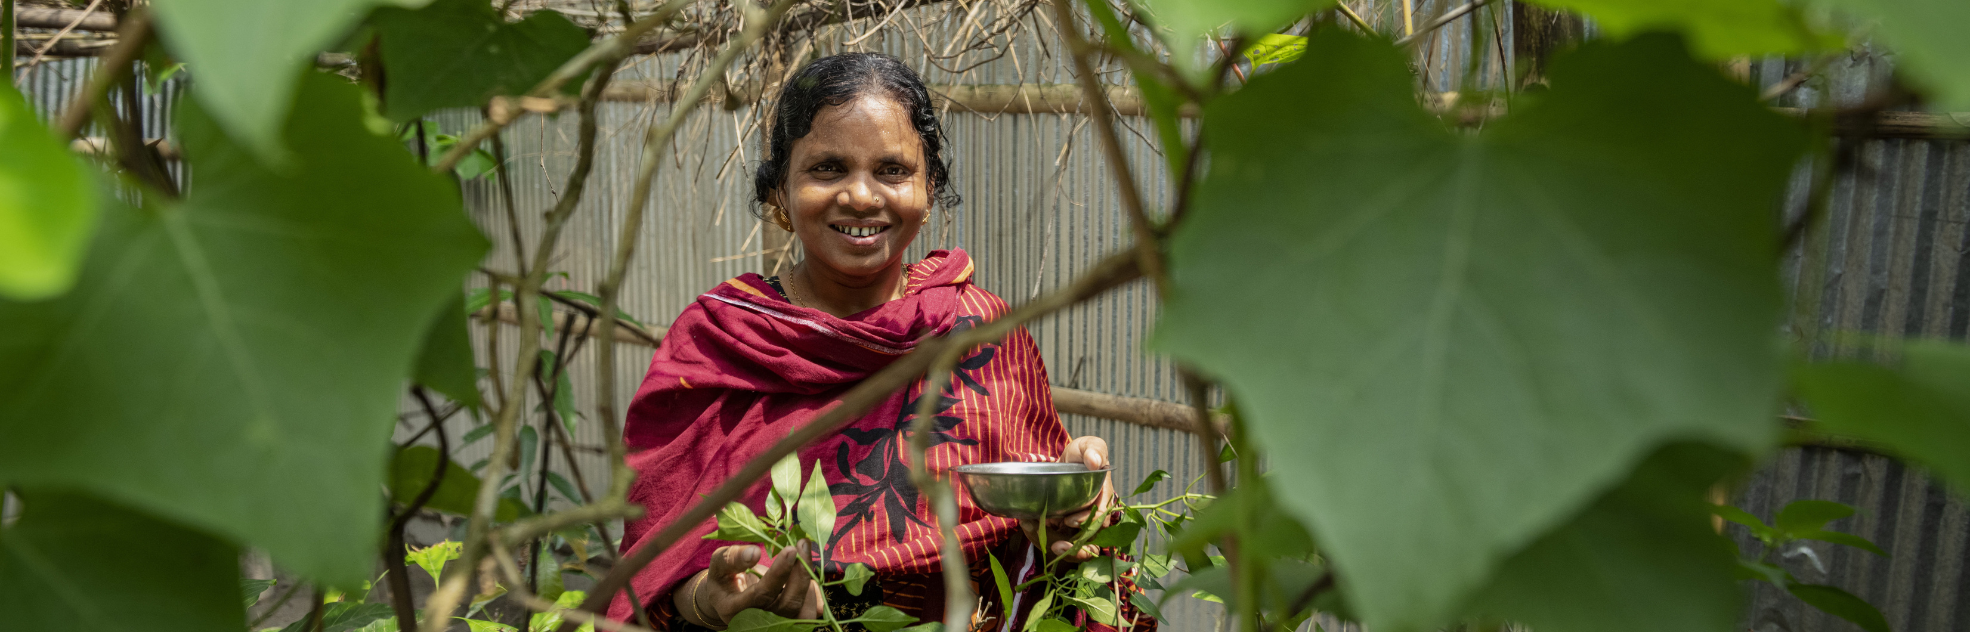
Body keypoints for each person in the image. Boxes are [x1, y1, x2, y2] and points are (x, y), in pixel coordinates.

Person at [608, 53, 1155, 631]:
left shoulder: (979, 332)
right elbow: (654, 563)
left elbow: (1045, 552)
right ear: (780, 192)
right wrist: (710, 599)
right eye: (828, 169)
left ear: (929, 188)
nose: (862, 197)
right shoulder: (720, 342)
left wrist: (1077, 505)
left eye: (892, 170)